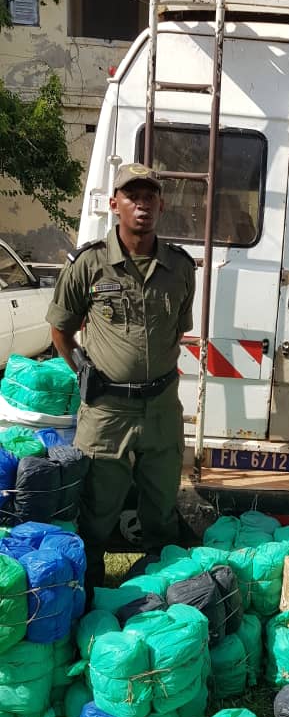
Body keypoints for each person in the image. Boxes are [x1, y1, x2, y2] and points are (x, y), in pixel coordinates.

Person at [46, 162, 196, 597]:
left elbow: (178, 329)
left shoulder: (180, 267)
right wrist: (84, 370)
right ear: (115, 204)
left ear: (161, 205)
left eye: (150, 196)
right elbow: (60, 328)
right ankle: (89, 597)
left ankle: (158, 602)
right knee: (95, 512)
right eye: (132, 196)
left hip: (162, 409)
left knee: (162, 512)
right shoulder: (89, 264)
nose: (142, 204)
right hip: (106, 410)